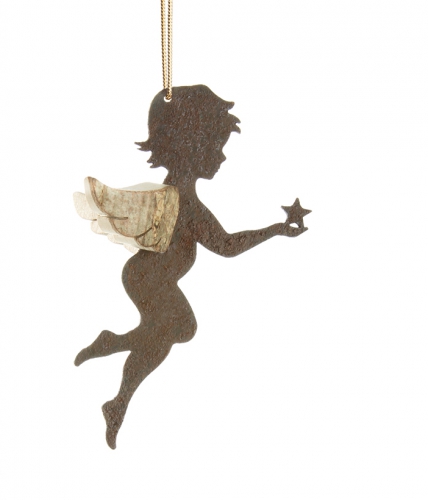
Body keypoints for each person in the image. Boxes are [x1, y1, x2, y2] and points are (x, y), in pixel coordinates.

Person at [74, 85, 307, 449]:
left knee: (171, 332)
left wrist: (276, 229)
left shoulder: (183, 197)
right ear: (189, 144)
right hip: (149, 277)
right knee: (179, 328)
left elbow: (225, 244)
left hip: (150, 277)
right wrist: (275, 230)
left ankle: (117, 390)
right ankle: (115, 369)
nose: (222, 157)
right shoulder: (180, 201)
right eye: (215, 146)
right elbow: (226, 246)